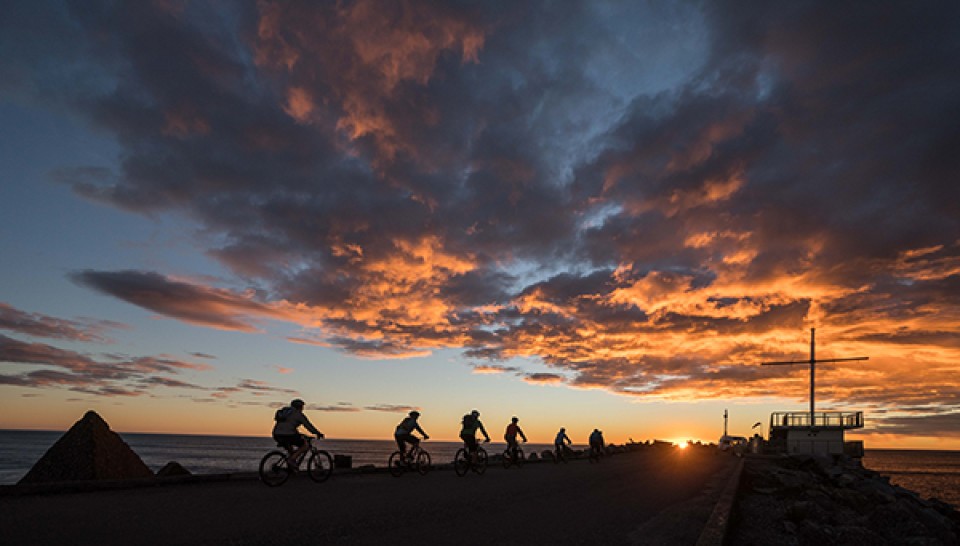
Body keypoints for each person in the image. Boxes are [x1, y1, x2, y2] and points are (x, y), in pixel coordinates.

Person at [272, 398, 324, 468]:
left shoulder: (285, 412)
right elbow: (308, 426)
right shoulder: (298, 414)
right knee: (305, 446)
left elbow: (288, 425)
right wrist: (318, 433)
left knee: (291, 451)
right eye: (302, 407)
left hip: (276, 434)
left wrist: (300, 434)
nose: (303, 408)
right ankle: (291, 460)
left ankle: (290, 467)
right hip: (288, 435)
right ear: (299, 407)